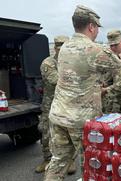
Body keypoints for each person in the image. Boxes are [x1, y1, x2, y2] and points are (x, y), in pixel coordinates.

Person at [45, 5, 121, 181]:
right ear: (91, 26)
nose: (97, 31)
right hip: (80, 120)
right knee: (91, 163)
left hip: (58, 114)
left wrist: (117, 59)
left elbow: (84, 69)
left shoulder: (65, 47)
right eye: (97, 27)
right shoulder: (93, 49)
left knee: (58, 161)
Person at [36, 35, 77, 174]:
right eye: (60, 49)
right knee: (47, 132)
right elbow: (57, 80)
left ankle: (69, 160)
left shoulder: (72, 63)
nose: (62, 52)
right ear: (55, 48)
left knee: (69, 132)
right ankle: (47, 159)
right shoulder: (48, 63)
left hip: (68, 104)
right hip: (51, 104)